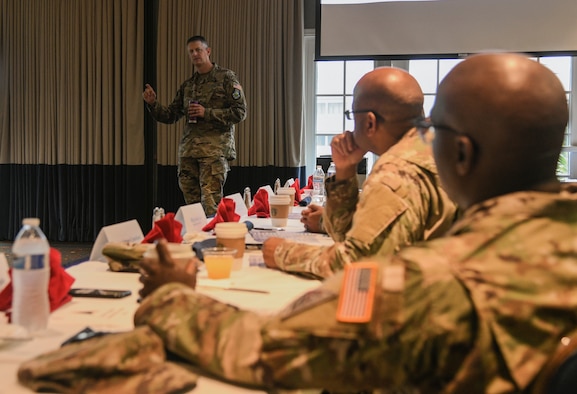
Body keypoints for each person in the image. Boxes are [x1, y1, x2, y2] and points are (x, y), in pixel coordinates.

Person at [134, 53, 577, 392]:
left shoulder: (433, 284)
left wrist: (170, 297)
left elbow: (263, 349)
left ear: (460, 153)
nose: (426, 140)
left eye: (434, 129)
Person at [262, 67, 458, 279]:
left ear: (370, 122)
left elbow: (358, 265)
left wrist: (283, 252)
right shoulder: (439, 148)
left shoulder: (395, 173)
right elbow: (351, 238)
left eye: (352, 115)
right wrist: (345, 171)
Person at [142, 35, 247, 216]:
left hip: (213, 153)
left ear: (208, 51)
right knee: (193, 210)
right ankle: (195, 242)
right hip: (189, 153)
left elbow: (240, 112)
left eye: (198, 50)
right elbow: (171, 115)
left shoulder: (226, 78)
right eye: (191, 51)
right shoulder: (188, 85)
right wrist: (153, 104)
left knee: (210, 204)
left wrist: (206, 113)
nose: (195, 54)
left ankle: (212, 242)